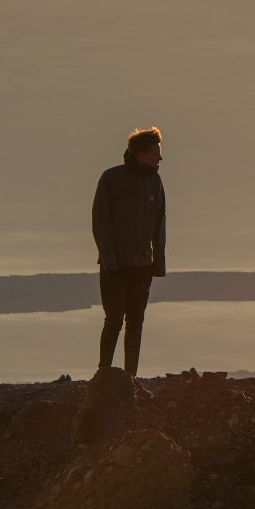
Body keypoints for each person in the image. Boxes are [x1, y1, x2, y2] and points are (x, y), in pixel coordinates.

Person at [93, 126, 166, 378]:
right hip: (115, 266)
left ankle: (129, 378)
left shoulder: (155, 182)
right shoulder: (112, 179)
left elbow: (160, 224)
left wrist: (158, 264)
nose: (160, 158)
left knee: (136, 322)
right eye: (156, 153)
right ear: (141, 154)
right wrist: (110, 261)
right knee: (114, 319)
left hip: (142, 267)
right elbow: (100, 222)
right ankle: (104, 374)